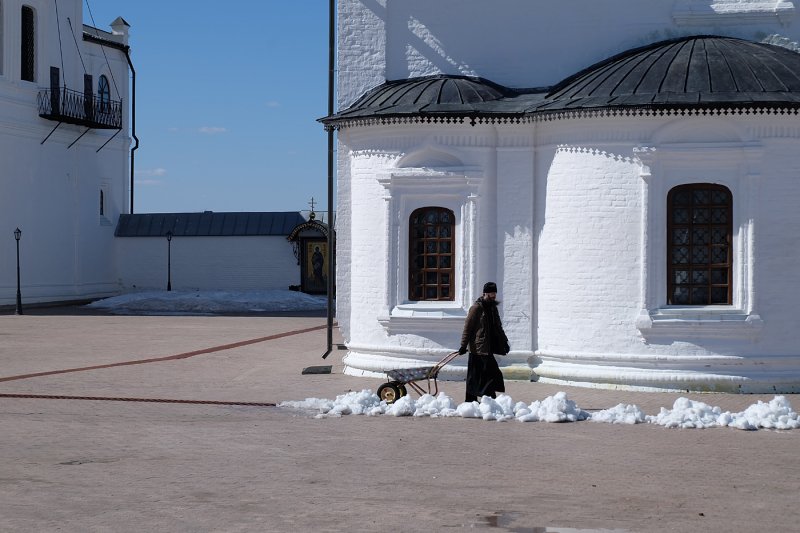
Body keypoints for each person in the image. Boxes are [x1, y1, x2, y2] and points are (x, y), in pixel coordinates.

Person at [458, 281, 510, 402]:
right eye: (491, 294)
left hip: (488, 347)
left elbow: (498, 327)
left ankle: (481, 399)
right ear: (484, 293)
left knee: (487, 374)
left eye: (494, 294)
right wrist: (463, 346)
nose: (493, 297)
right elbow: (468, 328)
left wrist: (504, 342)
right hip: (478, 348)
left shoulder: (493, 308)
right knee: (482, 375)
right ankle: (485, 399)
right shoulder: (476, 308)